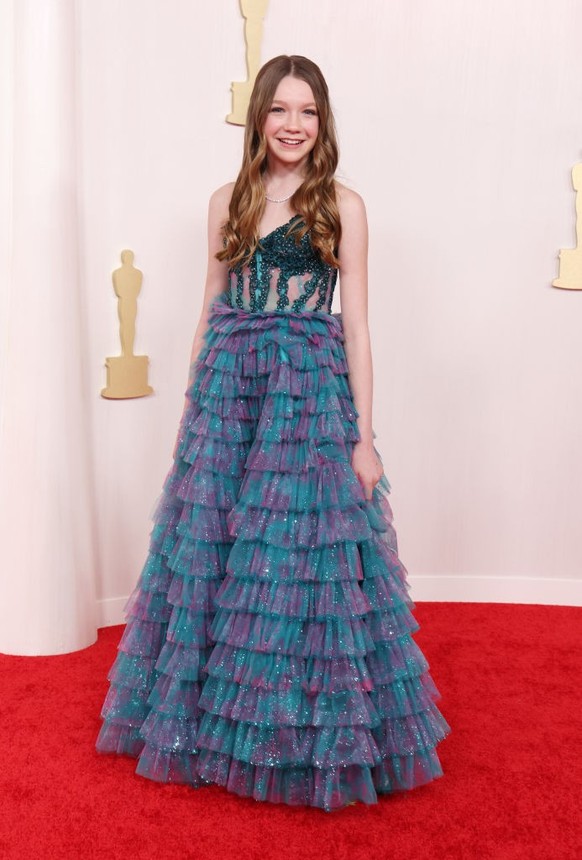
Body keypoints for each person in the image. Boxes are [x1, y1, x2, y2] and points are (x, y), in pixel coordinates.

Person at [96, 55, 451, 811]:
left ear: (323, 123)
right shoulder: (228, 199)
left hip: (306, 392)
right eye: (281, 110)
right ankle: (218, 730)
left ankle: (302, 729)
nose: (294, 125)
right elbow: (207, 309)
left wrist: (364, 436)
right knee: (222, 553)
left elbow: (355, 328)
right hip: (231, 389)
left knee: (297, 552)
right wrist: (193, 413)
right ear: (259, 117)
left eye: (309, 112)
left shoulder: (343, 205)